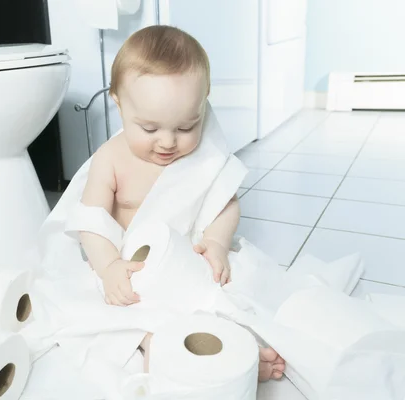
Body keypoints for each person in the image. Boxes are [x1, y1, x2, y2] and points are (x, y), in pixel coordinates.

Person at [77, 25, 285, 381]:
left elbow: (225, 203)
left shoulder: (204, 157)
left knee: (235, 289)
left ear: (204, 106)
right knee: (101, 310)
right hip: (131, 270)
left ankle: (239, 349)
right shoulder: (110, 159)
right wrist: (110, 265)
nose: (168, 142)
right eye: (149, 128)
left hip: (189, 258)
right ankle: (159, 347)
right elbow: (91, 222)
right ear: (118, 103)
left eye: (187, 127)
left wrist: (217, 244)